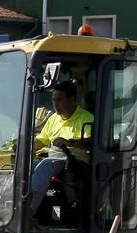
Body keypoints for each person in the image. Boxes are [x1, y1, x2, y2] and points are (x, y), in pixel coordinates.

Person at [29, 79, 94, 215]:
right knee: (24, 166)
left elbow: (91, 144)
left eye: (59, 100)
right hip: (54, 158)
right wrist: (21, 151)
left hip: (74, 161)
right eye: (53, 100)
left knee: (45, 166)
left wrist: (70, 143)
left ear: (72, 99)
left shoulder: (87, 118)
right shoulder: (53, 119)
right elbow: (41, 140)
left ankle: (28, 211)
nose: (55, 104)